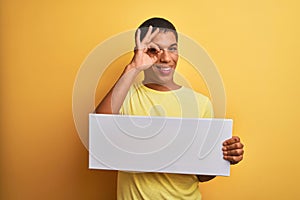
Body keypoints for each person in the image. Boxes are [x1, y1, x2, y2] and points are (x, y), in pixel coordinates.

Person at [95, 17, 244, 200]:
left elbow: (202, 175)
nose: (166, 58)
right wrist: (134, 67)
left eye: (172, 49)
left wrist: (223, 158)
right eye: (155, 50)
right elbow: (99, 131)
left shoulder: (201, 103)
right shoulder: (125, 96)